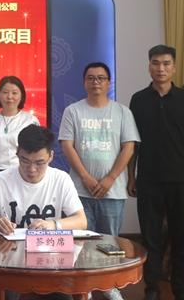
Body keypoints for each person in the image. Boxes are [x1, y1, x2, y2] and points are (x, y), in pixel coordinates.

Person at [0, 124, 86, 300]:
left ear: (50, 156)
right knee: (8, 293)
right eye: (25, 161)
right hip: (10, 264)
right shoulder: (0, 180)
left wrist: (53, 225)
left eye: (39, 163)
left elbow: (81, 221)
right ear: (17, 152)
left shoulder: (61, 179)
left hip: (50, 261)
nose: (31, 169)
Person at [128, 45, 184, 300]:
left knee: (181, 238)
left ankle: (182, 291)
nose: (160, 68)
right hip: (148, 180)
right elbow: (132, 143)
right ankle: (152, 288)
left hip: (181, 181)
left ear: (174, 67)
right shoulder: (138, 100)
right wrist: (131, 176)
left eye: (165, 63)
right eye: (155, 63)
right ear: (149, 67)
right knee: (150, 239)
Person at [58, 62, 140, 300]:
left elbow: (129, 148)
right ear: (84, 82)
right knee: (80, 241)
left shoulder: (122, 112)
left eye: (101, 78)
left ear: (109, 83)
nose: (96, 82)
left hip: (112, 191)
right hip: (79, 190)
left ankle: (108, 285)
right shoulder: (73, 111)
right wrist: (85, 177)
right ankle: (83, 286)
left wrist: (110, 179)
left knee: (109, 240)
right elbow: (67, 146)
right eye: (91, 78)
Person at [0, 76, 40, 180]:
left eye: (14, 93)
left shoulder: (30, 121)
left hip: (24, 173)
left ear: (21, 96)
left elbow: (37, 152)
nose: (9, 97)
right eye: (5, 92)